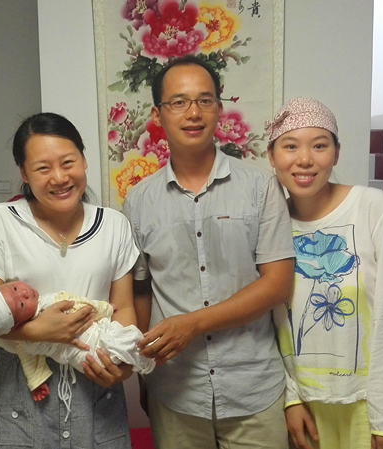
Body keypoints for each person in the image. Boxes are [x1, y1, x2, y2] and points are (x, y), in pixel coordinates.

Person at [123, 55, 296, 449]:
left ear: (219, 108)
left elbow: (277, 285)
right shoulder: (138, 201)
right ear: (157, 115)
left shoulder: (260, 187)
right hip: (175, 390)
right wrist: (143, 371)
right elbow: (141, 291)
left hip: (253, 387)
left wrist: (193, 324)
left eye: (204, 100)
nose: (193, 113)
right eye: (179, 102)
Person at [0, 112, 139, 448]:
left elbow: (124, 309)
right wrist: (39, 332)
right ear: (24, 173)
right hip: (23, 386)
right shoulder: (0, 222)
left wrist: (125, 364)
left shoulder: (113, 225)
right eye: (43, 168)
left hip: (95, 382)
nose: (59, 177)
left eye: (68, 162)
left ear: (84, 160)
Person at [265, 97, 383, 449]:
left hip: (371, 406)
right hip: (307, 409)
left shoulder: (374, 209)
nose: (304, 159)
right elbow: (270, 324)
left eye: (319, 146)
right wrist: (291, 399)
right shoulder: (269, 225)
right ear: (271, 156)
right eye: (290, 146)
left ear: (336, 154)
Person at [0, 281, 155, 402]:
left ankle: (145, 358)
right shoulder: (50, 303)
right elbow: (83, 306)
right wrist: (106, 309)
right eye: (21, 304)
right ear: (15, 325)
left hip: (84, 363)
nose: (23, 293)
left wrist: (36, 381)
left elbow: (30, 361)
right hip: (95, 344)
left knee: (124, 349)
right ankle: (148, 356)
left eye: (14, 287)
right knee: (126, 341)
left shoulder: (26, 342)